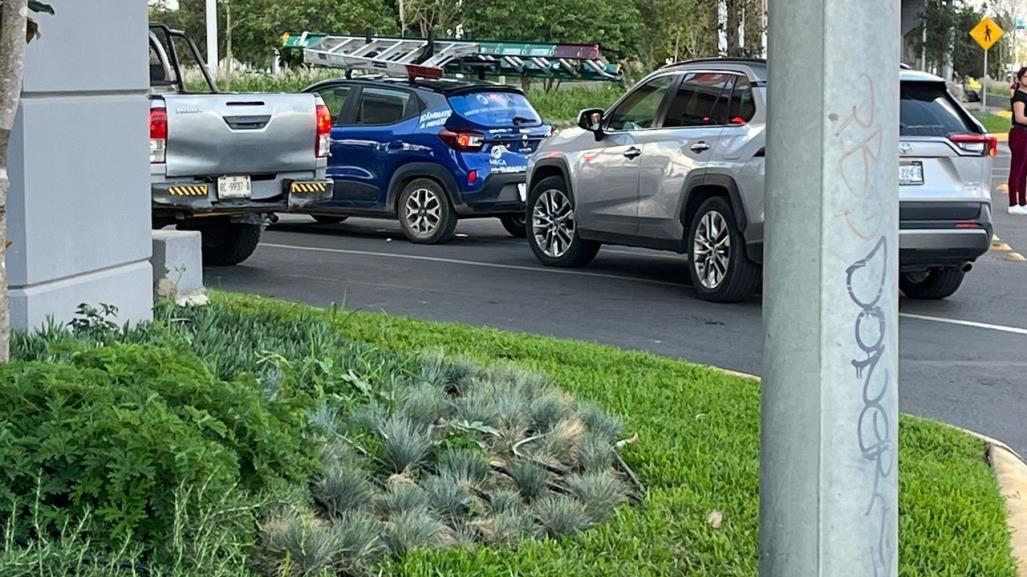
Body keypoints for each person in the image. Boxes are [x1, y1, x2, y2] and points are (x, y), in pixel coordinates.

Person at [1008, 66, 1027, 215]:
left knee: (1024, 170)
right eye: (1026, 77)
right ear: (1020, 79)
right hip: (1019, 134)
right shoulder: (1019, 96)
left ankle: (1022, 201)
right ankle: (1013, 203)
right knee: (1017, 169)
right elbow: (1020, 117)